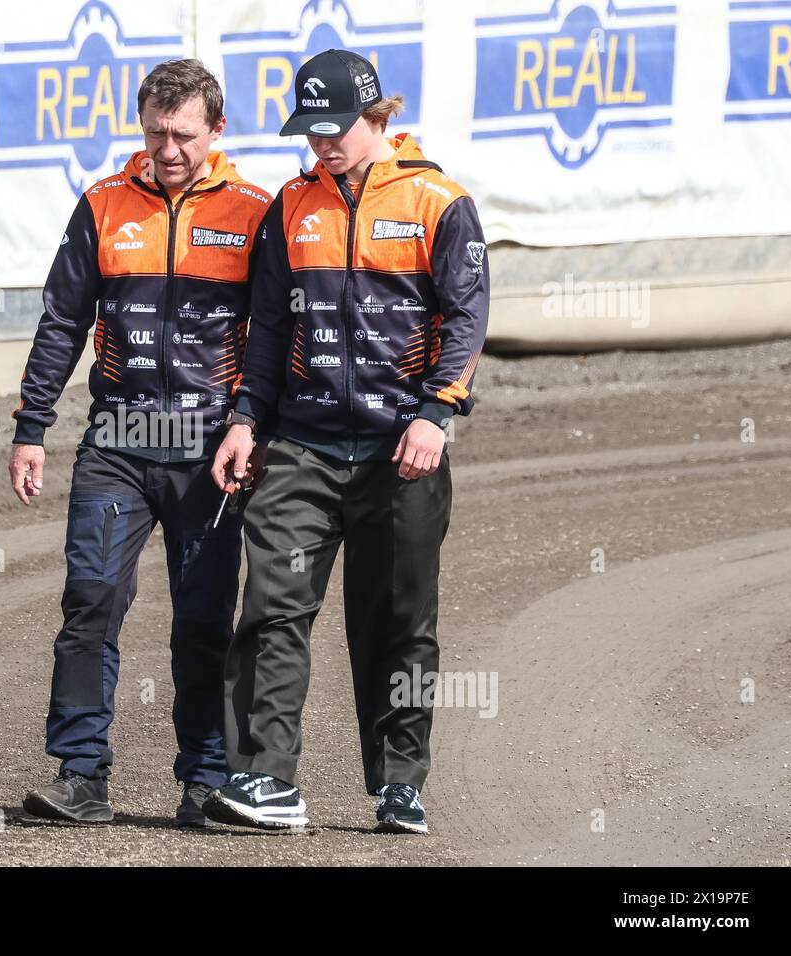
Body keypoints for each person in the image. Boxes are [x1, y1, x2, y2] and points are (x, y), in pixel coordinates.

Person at [203, 49, 490, 834]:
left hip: (403, 450)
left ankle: (401, 782)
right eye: (309, 130)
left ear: (376, 116)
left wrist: (436, 413)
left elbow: (467, 320)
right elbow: (267, 334)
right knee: (271, 606)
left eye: (334, 128)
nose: (321, 143)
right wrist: (243, 420)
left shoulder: (440, 201)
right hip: (302, 446)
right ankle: (266, 780)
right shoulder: (291, 206)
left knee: (397, 620)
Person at [9, 58, 272, 826]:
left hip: (210, 450)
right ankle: (82, 774)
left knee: (201, 621)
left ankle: (207, 780)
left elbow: (273, 336)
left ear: (216, 131)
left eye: (183, 134)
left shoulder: (258, 210)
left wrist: (251, 422)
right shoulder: (101, 204)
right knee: (90, 600)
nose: (167, 149)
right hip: (117, 444)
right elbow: (61, 322)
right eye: (155, 132)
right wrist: (31, 429)